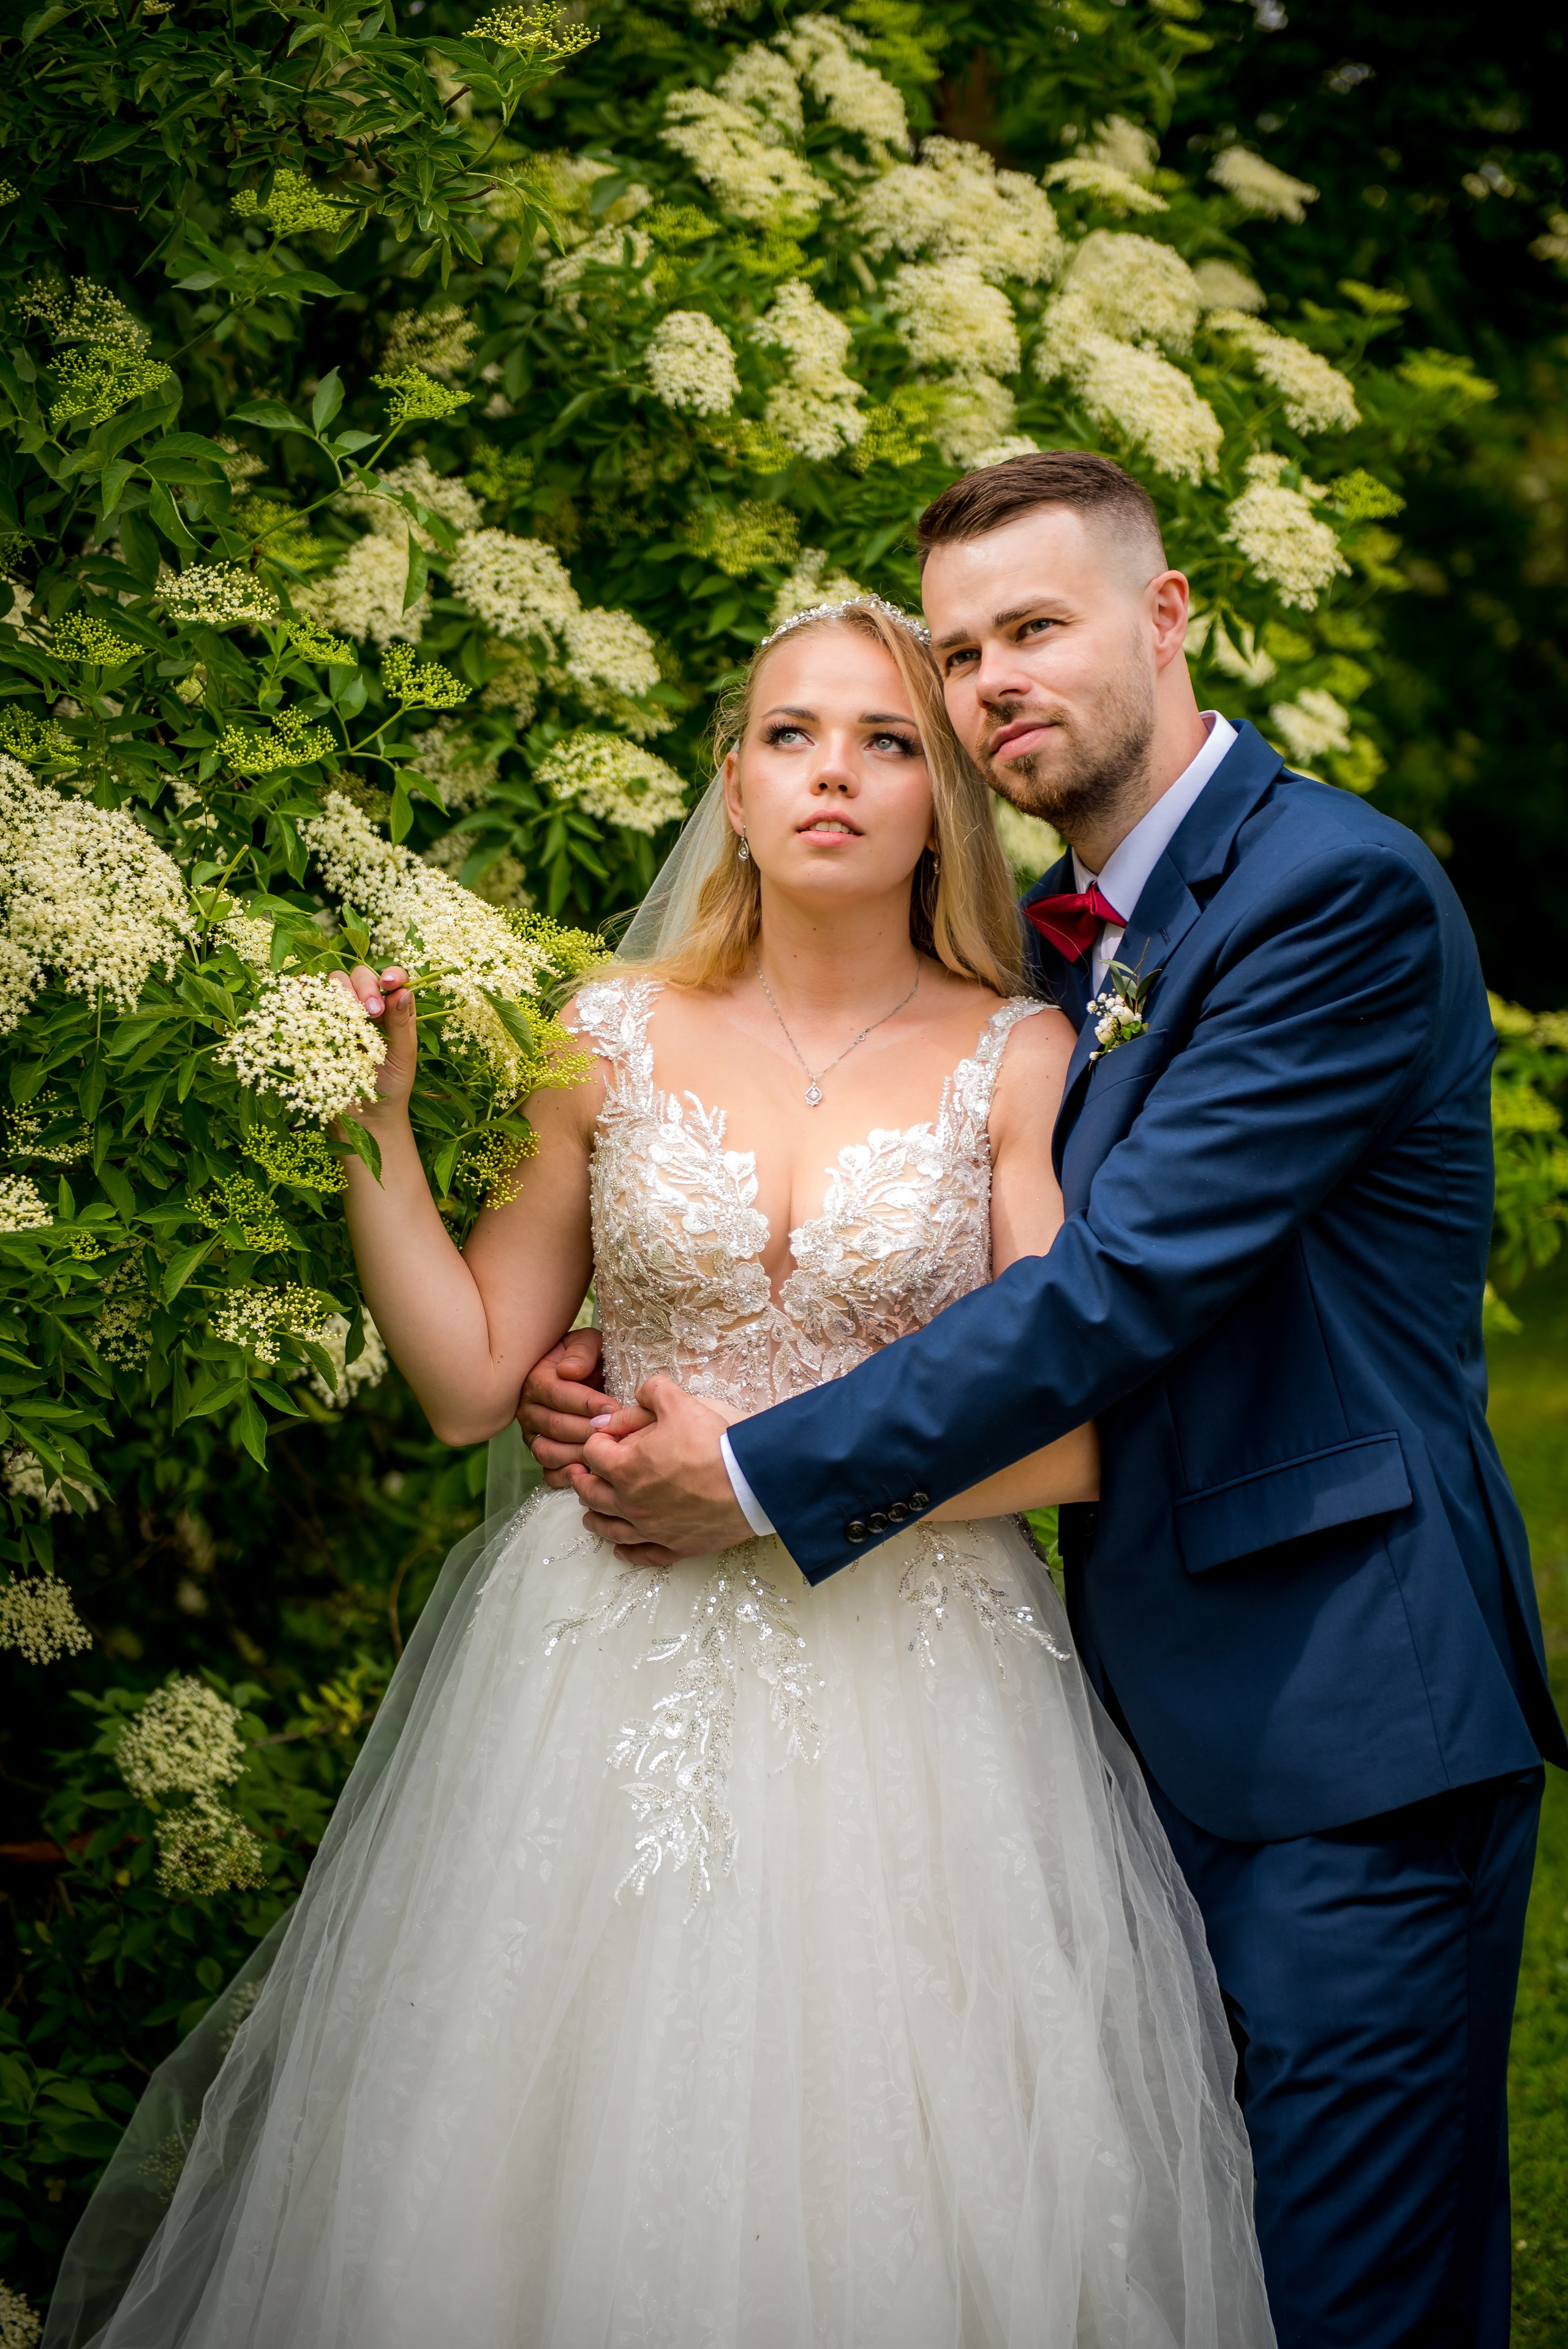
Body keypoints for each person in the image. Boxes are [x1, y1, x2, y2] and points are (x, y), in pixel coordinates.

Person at [46, 594, 1273, 2348]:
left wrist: (773, 1477)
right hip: (601, 1652)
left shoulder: (1021, 1059)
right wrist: (370, 1133)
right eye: (791, 734)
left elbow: (1072, 1429)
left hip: (918, 1659)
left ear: (945, 797)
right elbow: (475, 1378)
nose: (833, 774)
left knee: (905, 2150)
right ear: (735, 779)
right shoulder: (603, 1031)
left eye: (885, 740)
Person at [529, 450, 1567, 2349]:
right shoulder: (1077, 949)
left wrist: (754, 1466)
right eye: (966, 648)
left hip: (1345, 1712)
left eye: (1039, 627)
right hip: (1140, 1704)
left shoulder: (1328, 894)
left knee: (1353, 2299)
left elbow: (1114, 1287)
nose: (998, 676)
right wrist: (653, 1355)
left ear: (1167, 617)